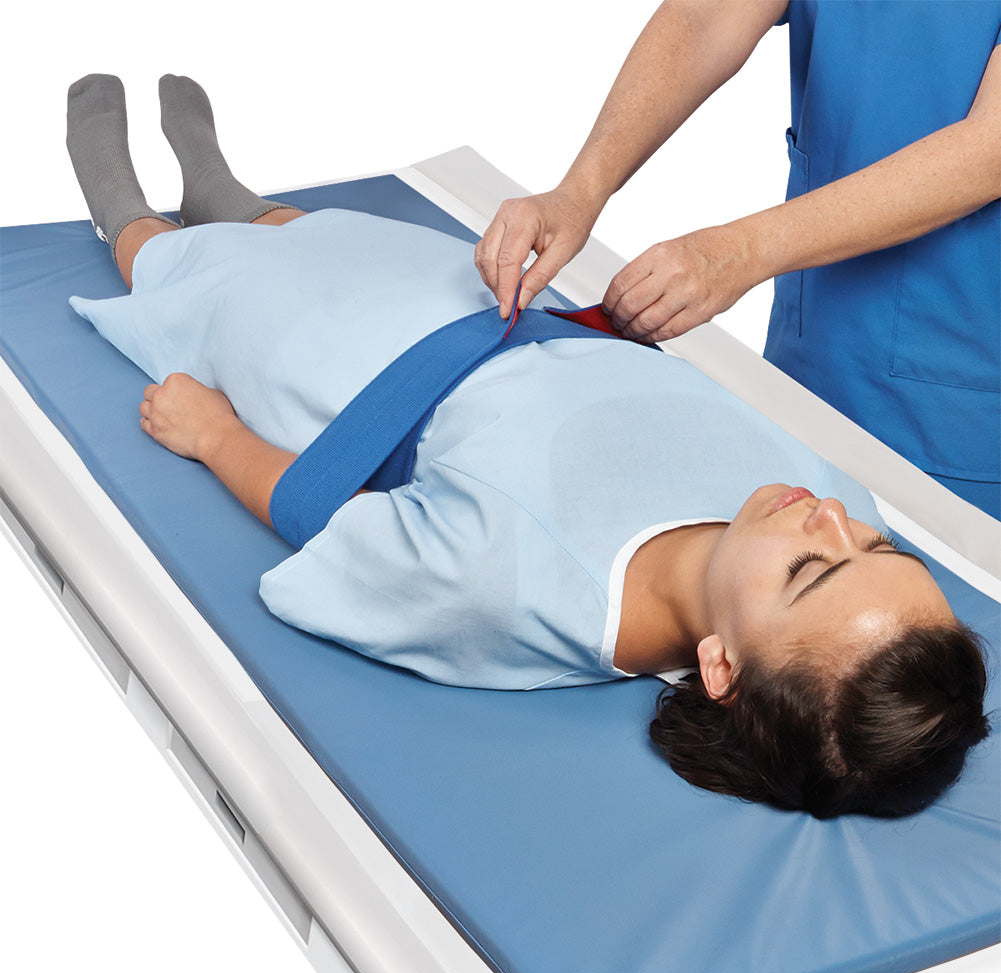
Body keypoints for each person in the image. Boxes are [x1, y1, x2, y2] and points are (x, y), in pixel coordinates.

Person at [65, 73, 989, 819]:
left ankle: (125, 213)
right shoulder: (824, 506)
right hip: (504, 318)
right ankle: (225, 192)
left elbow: (329, 520)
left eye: (809, 570)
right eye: (876, 545)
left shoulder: (508, 583)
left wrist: (216, 434)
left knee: (205, 280)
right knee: (331, 238)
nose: (829, 518)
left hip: (349, 370)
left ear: (720, 665)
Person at [474, 1, 1001, 518]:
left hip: (958, 404)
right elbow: (704, 17)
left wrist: (739, 252)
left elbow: (990, 149)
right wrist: (580, 189)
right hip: (808, 361)